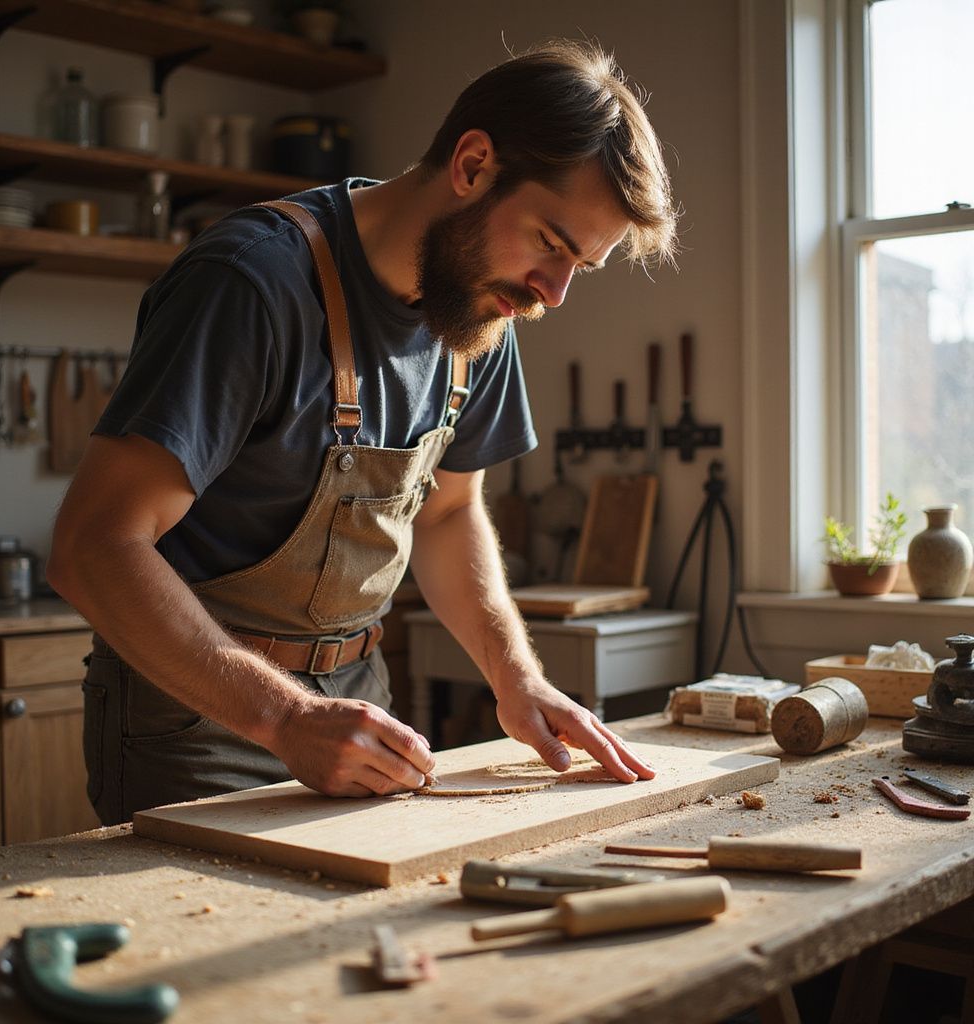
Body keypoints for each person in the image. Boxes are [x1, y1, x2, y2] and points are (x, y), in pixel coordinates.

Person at [47, 39, 678, 824]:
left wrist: (519, 679)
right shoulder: (253, 283)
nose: (553, 292)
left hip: (357, 701)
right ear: (473, 164)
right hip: (193, 718)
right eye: (551, 243)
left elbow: (448, 512)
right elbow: (93, 546)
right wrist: (284, 718)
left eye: (581, 265)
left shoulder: (480, 315)